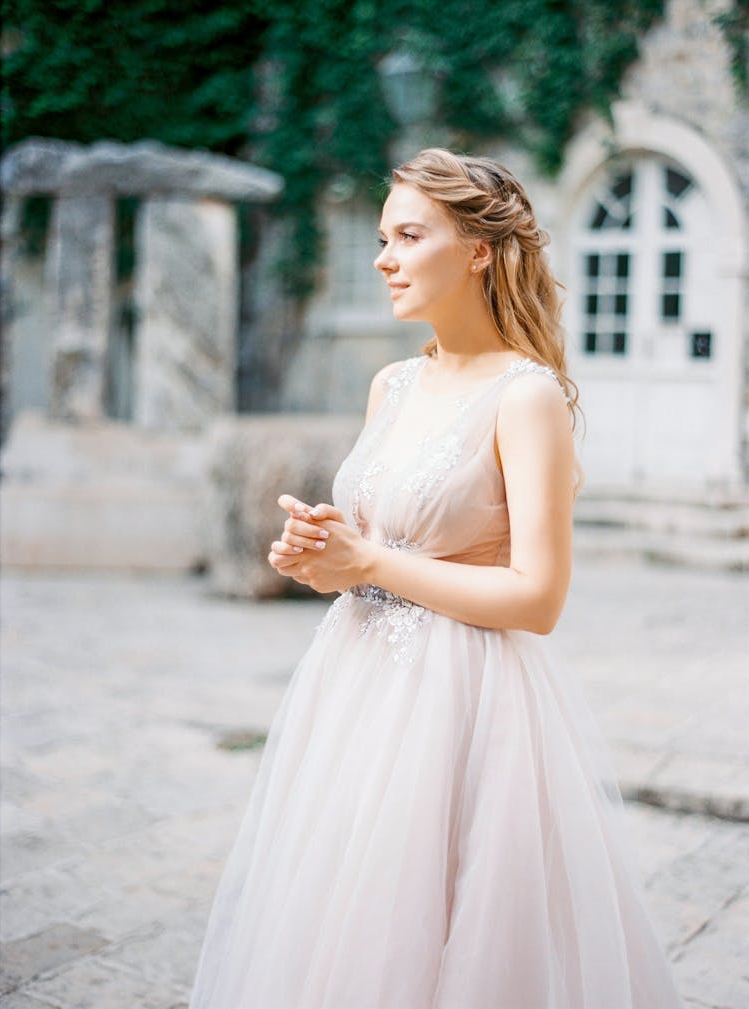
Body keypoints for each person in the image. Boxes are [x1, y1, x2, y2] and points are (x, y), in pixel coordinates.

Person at [189, 148, 683, 1009]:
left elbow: (539, 597)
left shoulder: (526, 397)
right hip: (353, 690)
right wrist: (323, 554)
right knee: (347, 919)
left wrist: (372, 561)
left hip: (467, 698)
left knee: (456, 930)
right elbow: (379, 549)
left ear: (479, 250)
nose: (384, 257)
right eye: (383, 237)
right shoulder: (394, 383)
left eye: (409, 235)